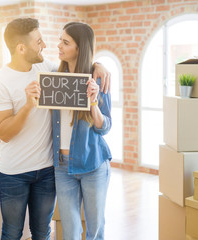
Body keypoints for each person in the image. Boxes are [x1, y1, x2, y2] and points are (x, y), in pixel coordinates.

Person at [0, 18, 110, 240]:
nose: (47, 46)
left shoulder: (51, 69)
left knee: (46, 232)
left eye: (63, 42)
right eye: (39, 41)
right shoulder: (3, 82)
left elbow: (80, 66)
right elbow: (3, 133)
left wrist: (97, 65)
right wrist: (28, 105)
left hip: (54, 168)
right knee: (14, 231)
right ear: (21, 48)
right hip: (31, 171)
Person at [52, 22, 112, 240]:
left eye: (65, 42)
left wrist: (93, 103)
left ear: (79, 48)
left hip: (93, 163)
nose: (59, 45)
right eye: (60, 40)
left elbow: (105, 126)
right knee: (70, 230)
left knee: (95, 228)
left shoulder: (97, 79)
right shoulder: (53, 77)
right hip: (62, 167)